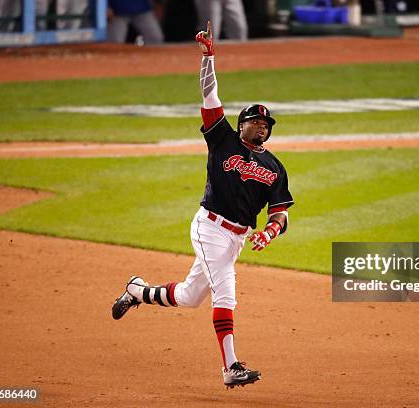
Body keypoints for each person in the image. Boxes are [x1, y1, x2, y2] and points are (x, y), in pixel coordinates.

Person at [112, 21, 294, 389]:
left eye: (266, 124)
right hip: (209, 226)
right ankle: (230, 368)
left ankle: (137, 290)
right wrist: (208, 58)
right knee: (225, 292)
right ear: (241, 125)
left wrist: (270, 232)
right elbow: (210, 96)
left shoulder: (274, 167)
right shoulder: (221, 139)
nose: (262, 127)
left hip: (237, 238)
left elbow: (281, 212)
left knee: (191, 296)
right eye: (255, 121)